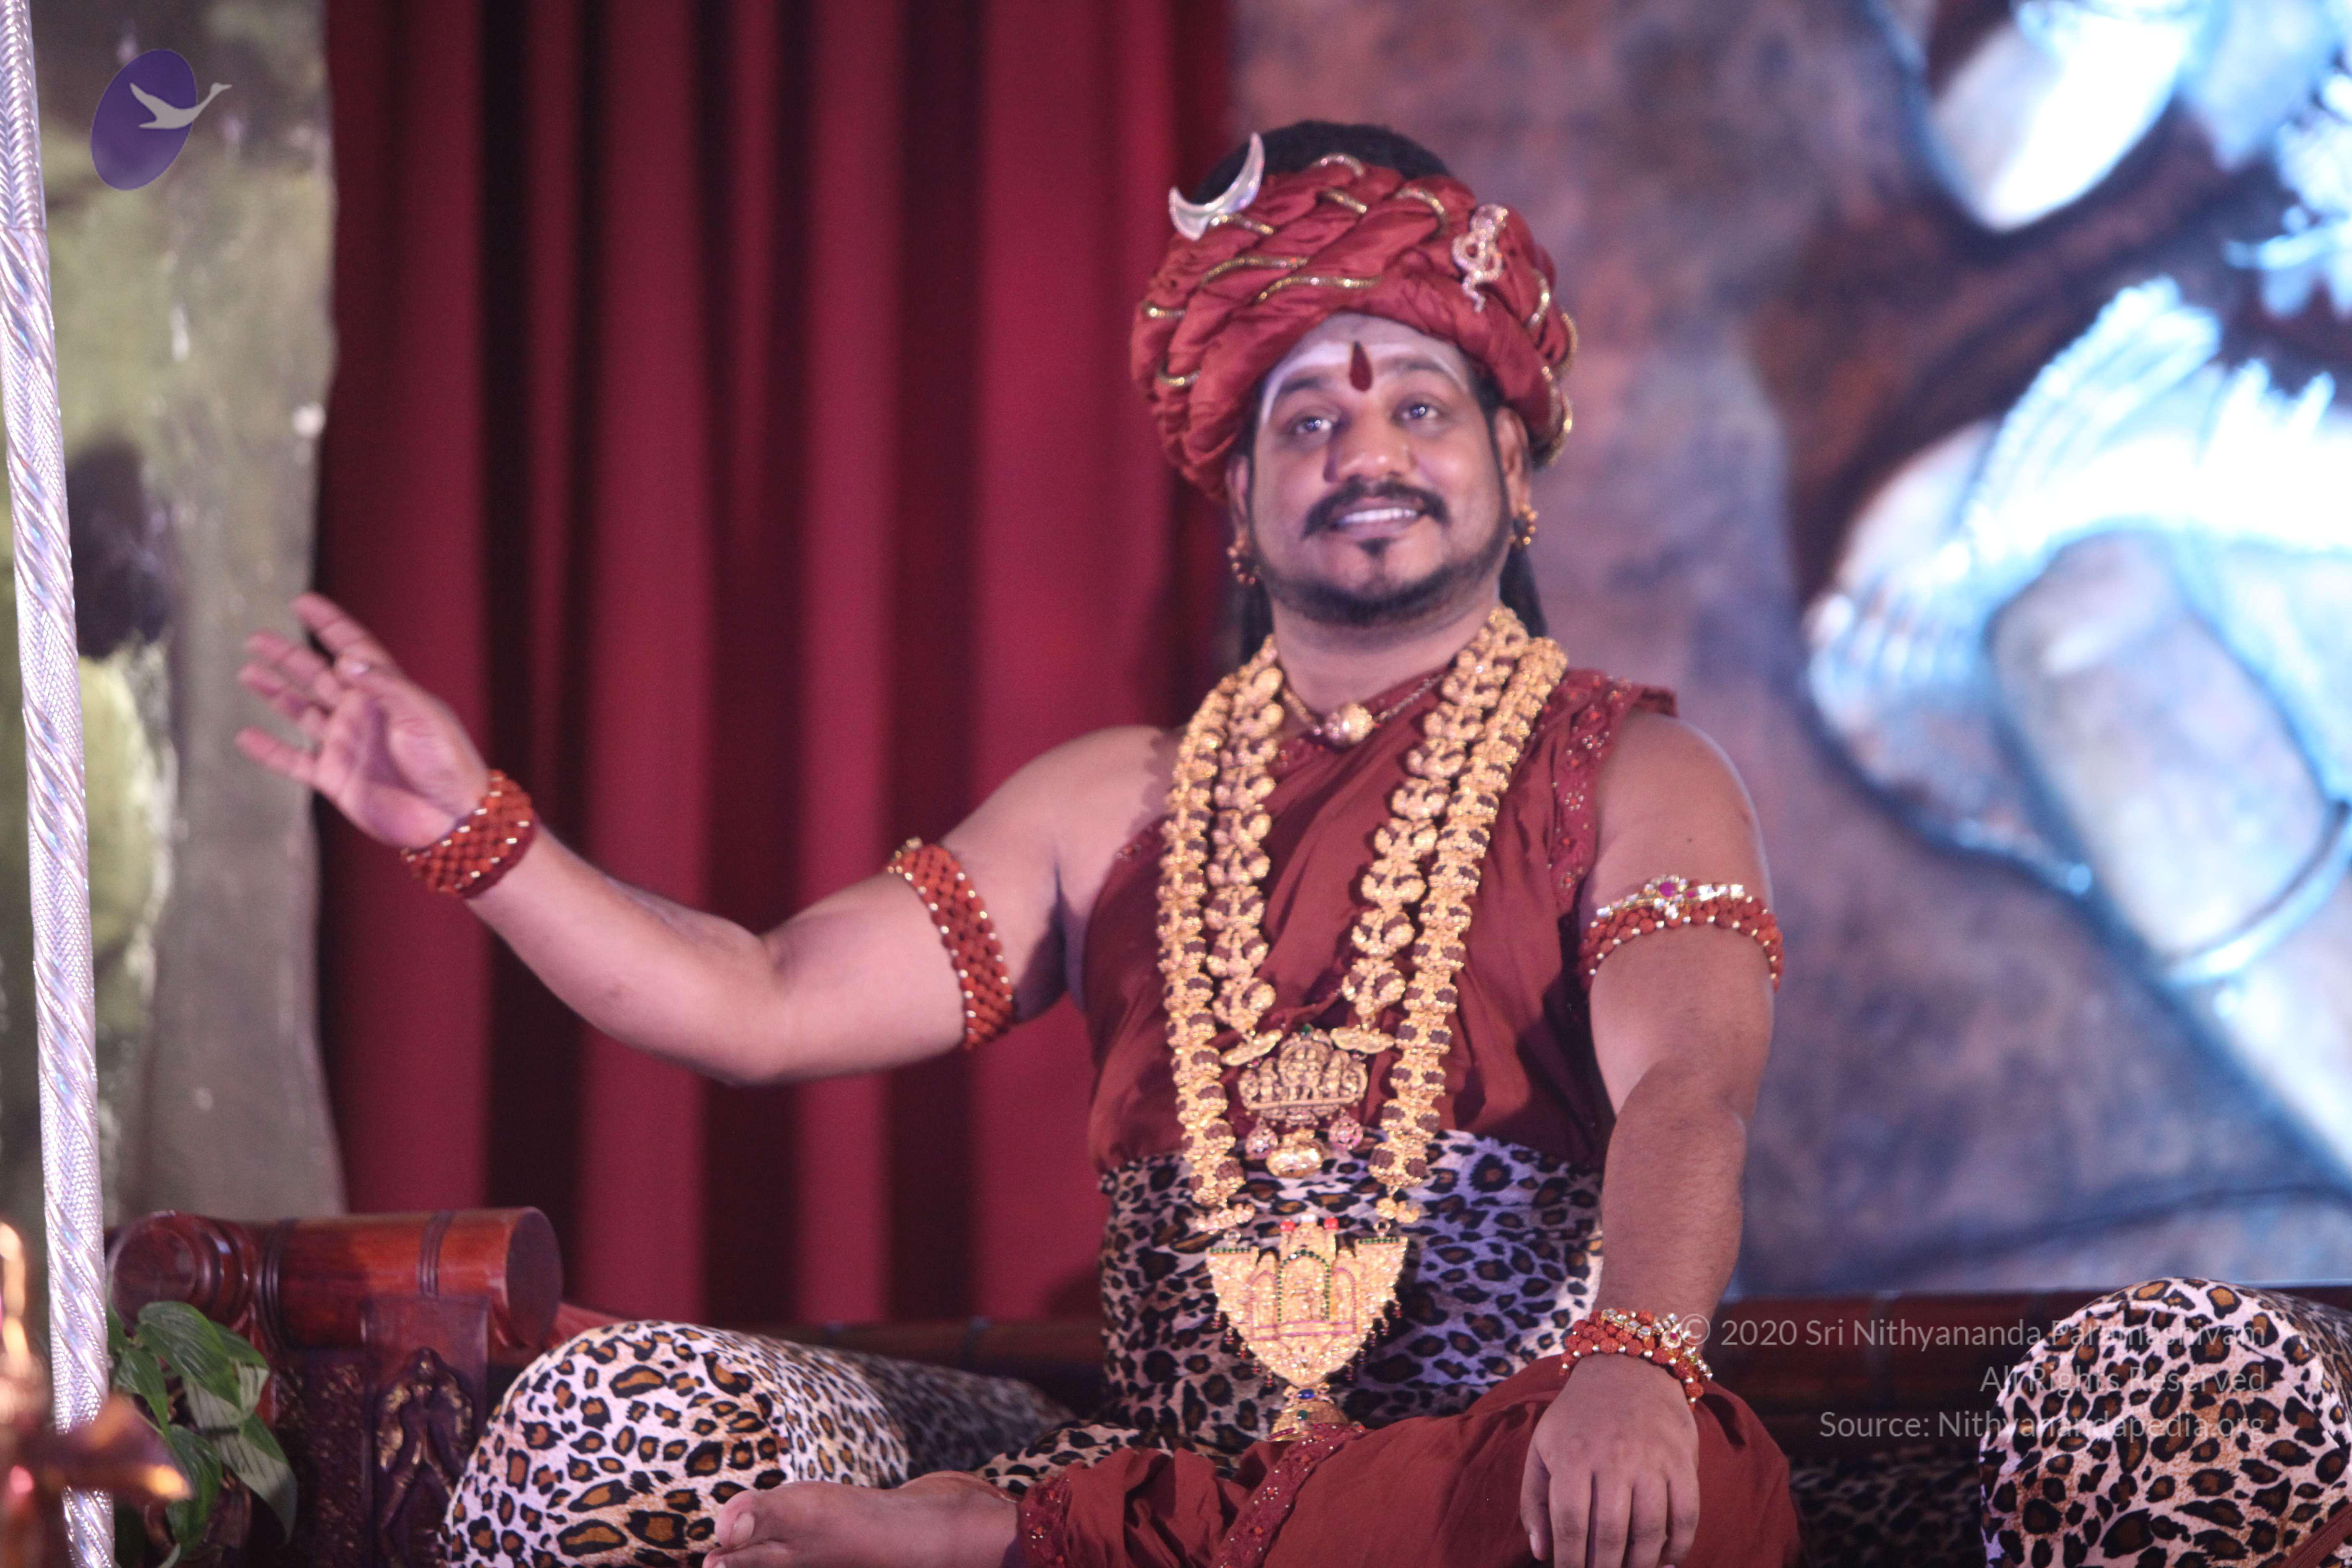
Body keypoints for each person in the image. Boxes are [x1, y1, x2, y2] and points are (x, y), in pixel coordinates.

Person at [239, 121, 1803, 1568]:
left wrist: (1637, 1362)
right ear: (1240, 506)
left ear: (1513, 467)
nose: (1364, 450)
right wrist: (479, 833)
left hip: (1501, 1469)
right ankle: (1052, 1528)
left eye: (1419, 406)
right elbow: (761, 999)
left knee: (1689, 1496)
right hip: (1134, 1466)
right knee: (613, 1416)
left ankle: (1012, 1539)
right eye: (1309, 420)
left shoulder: (1634, 772)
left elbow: (1689, 1089)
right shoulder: (1109, 805)